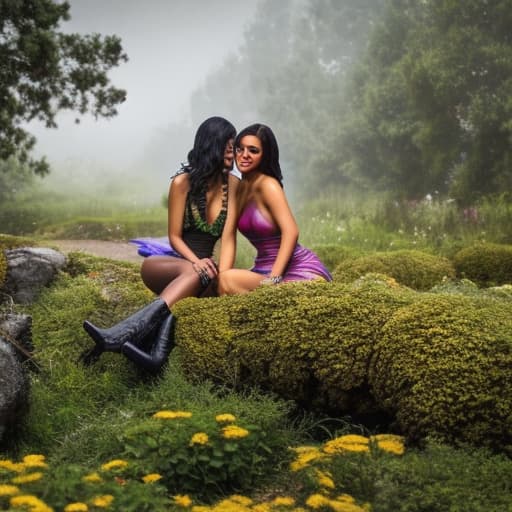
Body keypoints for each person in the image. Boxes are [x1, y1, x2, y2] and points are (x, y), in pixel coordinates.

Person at [80, 116, 238, 373]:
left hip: (208, 275)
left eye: (234, 144)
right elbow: (174, 236)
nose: (233, 151)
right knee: (190, 271)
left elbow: (230, 237)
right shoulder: (181, 183)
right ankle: (131, 338)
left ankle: (147, 350)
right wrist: (196, 262)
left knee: (195, 283)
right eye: (228, 144)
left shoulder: (234, 187)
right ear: (211, 145)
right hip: (172, 266)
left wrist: (224, 277)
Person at [217, 123, 332, 295]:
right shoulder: (239, 188)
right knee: (222, 281)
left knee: (228, 280)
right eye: (239, 149)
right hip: (262, 269)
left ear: (265, 155)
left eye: (253, 150)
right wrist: (220, 278)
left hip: (296, 270)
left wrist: (274, 280)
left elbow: (291, 231)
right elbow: (228, 235)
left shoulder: (268, 185)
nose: (244, 155)